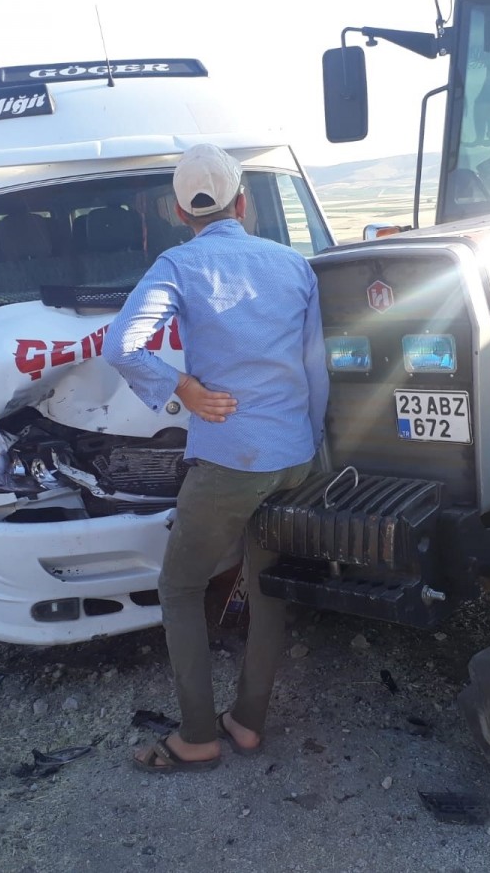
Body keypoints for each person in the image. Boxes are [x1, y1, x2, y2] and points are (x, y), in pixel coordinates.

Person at [103, 144, 328, 773]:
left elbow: (125, 346)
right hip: (293, 454)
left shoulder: (179, 263)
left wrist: (182, 387)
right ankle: (248, 723)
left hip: (229, 460)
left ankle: (198, 735)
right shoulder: (293, 264)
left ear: (179, 210)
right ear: (245, 201)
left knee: (179, 588)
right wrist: (309, 448)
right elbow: (316, 370)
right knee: (267, 589)